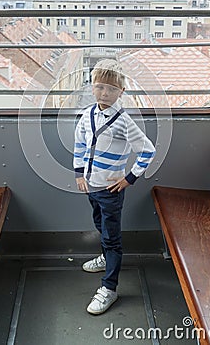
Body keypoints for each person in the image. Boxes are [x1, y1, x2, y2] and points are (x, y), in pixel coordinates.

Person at [73, 59, 155, 315]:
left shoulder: (124, 122)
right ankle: (105, 258)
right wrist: (79, 173)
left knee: (111, 238)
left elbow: (148, 151)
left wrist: (129, 178)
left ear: (121, 91)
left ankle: (109, 287)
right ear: (92, 88)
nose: (104, 93)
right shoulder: (87, 115)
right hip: (92, 186)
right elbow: (79, 144)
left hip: (110, 192)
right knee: (100, 226)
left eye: (110, 89)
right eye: (99, 87)